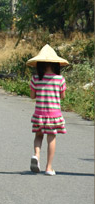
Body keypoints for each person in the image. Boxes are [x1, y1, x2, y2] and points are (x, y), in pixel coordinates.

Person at [26, 44, 69, 176]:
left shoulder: (35, 79)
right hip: (54, 114)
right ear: (56, 64)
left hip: (39, 113)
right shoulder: (60, 79)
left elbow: (32, 96)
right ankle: (49, 167)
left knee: (38, 136)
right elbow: (62, 96)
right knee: (51, 138)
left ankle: (36, 155)